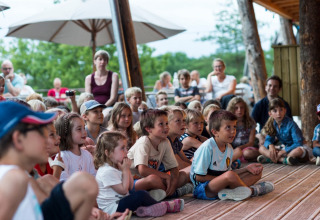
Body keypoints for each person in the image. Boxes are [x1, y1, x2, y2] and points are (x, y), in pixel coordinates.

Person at [0, 101, 106, 220]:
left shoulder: (24, 178)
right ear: (18, 139)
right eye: (40, 132)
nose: (46, 139)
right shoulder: (12, 178)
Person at [190, 110, 274, 201]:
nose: (233, 131)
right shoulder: (207, 147)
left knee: (256, 173)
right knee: (230, 175)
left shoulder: (229, 148)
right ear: (215, 132)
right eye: (228, 127)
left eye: (234, 127)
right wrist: (225, 179)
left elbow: (228, 174)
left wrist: (246, 169)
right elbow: (198, 177)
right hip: (204, 189)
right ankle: (252, 191)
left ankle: (229, 192)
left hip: (223, 185)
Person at [94, 131, 184, 217]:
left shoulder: (117, 166)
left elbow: (129, 187)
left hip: (121, 203)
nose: (127, 151)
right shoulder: (106, 171)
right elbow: (123, 190)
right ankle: (165, 206)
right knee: (140, 195)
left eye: (126, 148)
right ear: (108, 153)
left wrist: (127, 169)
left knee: (142, 193)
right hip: (112, 209)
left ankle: (146, 210)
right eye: (122, 148)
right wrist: (125, 170)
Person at [127, 109, 192, 200]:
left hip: (153, 182)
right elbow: (142, 170)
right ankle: (173, 193)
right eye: (161, 124)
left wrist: (173, 183)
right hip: (130, 182)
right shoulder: (144, 142)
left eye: (166, 123)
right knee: (153, 179)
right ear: (148, 129)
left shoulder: (165, 142)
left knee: (183, 176)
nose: (166, 127)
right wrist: (166, 176)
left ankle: (160, 193)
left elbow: (174, 168)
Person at [257, 98, 313, 165]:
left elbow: (298, 143)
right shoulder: (272, 124)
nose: (278, 113)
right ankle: (283, 160)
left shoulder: (291, 124)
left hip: (297, 148)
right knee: (261, 148)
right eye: (275, 111)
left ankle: (272, 159)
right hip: (285, 148)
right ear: (270, 114)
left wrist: (283, 151)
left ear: (285, 111)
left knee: (298, 151)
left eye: (281, 110)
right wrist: (270, 145)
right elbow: (268, 140)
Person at [55, 112, 97, 181]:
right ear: (66, 133)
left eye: (84, 128)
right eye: (79, 129)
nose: (84, 132)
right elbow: (63, 182)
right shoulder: (63, 157)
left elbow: (94, 177)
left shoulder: (87, 155)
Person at [227, 97, 259, 162]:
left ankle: (262, 154)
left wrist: (240, 148)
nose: (239, 110)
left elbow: (251, 143)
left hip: (247, 148)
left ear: (245, 109)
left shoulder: (250, 122)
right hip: (233, 149)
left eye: (242, 107)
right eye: (236, 108)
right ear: (232, 109)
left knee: (247, 153)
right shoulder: (228, 123)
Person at [165, 106, 191, 171]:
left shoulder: (176, 140)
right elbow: (180, 165)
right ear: (167, 123)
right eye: (178, 121)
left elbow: (186, 160)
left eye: (184, 120)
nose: (183, 124)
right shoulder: (166, 141)